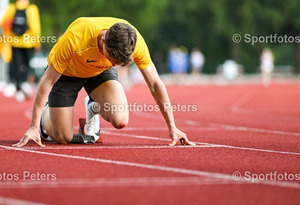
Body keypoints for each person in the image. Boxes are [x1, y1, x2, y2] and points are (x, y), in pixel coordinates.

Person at [13, 17, 194, 147]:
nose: (114, 65)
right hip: (67, 73)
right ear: (103, 40)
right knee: (62, 138)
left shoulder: (133, 41)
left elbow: (155, 84)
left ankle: (93, 106)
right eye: (113, 59)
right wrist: (33, 126)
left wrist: (173, 127)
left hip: (99, 71)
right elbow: (46, 82)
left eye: (118, 63)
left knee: (120, 120)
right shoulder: (75, 39)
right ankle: (47, 116)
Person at [0, 0, 41, 102]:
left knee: (16, 64)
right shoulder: (32, 9)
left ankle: (18, 88)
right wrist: (37, 42)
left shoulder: (11, 8)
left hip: (14, 41)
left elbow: (2, 23)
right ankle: (24, 83)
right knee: (26, 64)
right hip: (28, 42)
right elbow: (35, 27)